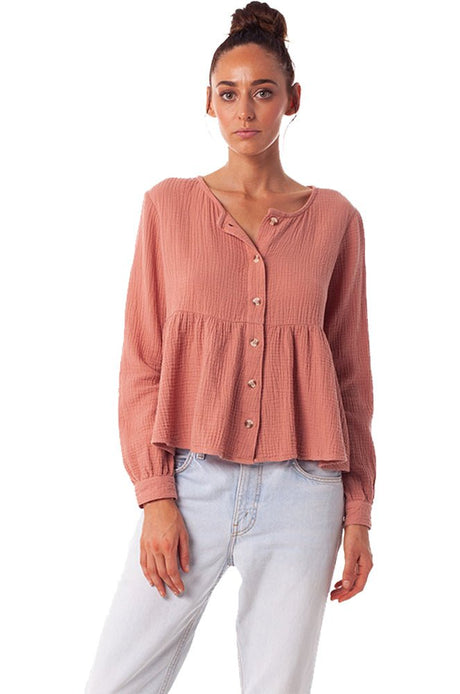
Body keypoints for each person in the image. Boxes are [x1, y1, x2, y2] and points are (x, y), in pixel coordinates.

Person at [84, 2, 376, 692]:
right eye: (229, 92)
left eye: (263, 92)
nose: (245, 110)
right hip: (191, 485)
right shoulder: (167, 207)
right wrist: (156, 495)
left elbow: (350, 377)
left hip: (305, 493)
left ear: (292, 100)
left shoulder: (336, 219)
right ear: (208, 102)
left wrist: (358, 512)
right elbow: (142, 362)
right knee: (116, 681)